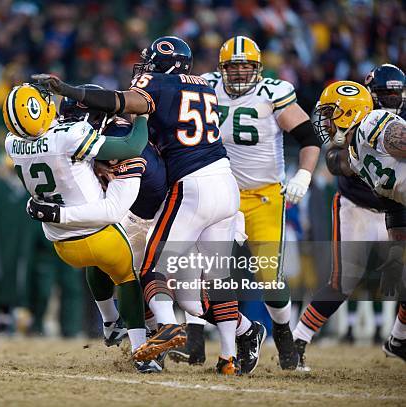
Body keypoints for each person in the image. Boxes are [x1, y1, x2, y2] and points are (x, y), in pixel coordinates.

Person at [34, 35, 243, 374]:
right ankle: (231, 354)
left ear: (163, 65)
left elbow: (121, 103)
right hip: (226, 180)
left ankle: (166, 328)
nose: (144, 68)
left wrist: (70, 91)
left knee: (148, 270)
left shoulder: (152, 88)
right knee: (213, 280)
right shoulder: (204, 85)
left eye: (150, 62)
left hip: (191, 186)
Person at [3, 82, 157, 372]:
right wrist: (143, 115)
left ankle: (111, 323)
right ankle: (141, 351)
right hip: (98, 232)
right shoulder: (70, 135)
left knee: (95, 263)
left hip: (62, 244)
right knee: (127, 278)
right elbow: (132, 146)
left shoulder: (12, 143)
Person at [196, 36, 321, 370]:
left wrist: (304, 176)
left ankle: (282, 332)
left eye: (245, 66)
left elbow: (309, 137)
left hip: (264, 195)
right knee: (206, 272)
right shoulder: (206, 88)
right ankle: (209, 333)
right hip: (221, 195)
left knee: (269, 277)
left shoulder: (274, 93)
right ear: (221, 68)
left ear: (258, 68)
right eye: (232, 66)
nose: (238, 72)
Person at [293, 80, 406, 367]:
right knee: (344, 281)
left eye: (331, 112)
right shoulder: (356, 156)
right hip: (365, 208)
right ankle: (399, 341)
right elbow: (392, 201)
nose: (326, 121)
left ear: (348, 113)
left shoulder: (373, 124)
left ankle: (399, 339)